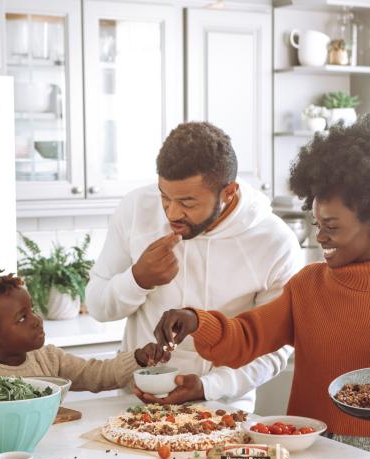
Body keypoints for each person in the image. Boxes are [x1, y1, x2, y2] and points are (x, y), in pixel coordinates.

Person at [152, 112, 370, 459]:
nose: (320, 236)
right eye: (316, 223)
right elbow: (248, 336)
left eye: (331, 226)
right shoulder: (308, 285)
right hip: (309, 446)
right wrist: (196, 321)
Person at [85, 122, 303, 411]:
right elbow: (98, 307)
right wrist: (138, 279)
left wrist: (207, 386)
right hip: (136, 405)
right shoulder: (136, 208)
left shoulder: (275, 243)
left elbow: (273, 349)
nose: (173, 213)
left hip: (222, 408)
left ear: (228, 192)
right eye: (165, 197)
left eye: (188, 202)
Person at [0, 262, 167, 388]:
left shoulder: (50, 359)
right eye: (22, 318)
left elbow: (98, 374)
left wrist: (137, 358)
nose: (36, 320)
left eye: (32, 310)